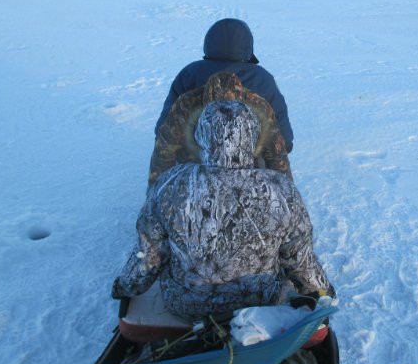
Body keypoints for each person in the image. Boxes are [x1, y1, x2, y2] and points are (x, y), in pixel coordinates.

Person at [113, 101, 332, 321]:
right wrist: (324, 291)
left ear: (201, 136)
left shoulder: (171, 183)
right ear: (252, 136)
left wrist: (124, 287)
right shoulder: (280, 188)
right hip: (261, 304)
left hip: (187, 305)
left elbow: (148, 255)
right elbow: (300, 260)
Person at [155, 18, 294, 153]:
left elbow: (166, 123)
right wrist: (285, 147)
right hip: (251, 162)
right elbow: (281, 126)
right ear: (247, 45)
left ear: (209, 43)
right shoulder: (262, 79)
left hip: (196, 159)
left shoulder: (189, 74)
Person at [148, 71, 291, 186]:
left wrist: (286, 193)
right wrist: (156, 190)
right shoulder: (186, 106)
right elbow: (164, 151)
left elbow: (277, 155)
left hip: (246, 173)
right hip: (198, 172)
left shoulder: (259, 108)